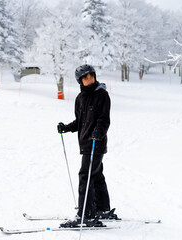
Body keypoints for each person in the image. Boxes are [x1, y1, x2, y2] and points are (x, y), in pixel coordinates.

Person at [57, 64, 118, 227]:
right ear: (80, 81)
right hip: (85, 144)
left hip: (96, 144)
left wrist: (99, 132)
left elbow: (104, 119)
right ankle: (102, 208)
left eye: (91, 75)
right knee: (96, 175)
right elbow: (80, 122)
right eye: (85, 77)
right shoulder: (80, 98)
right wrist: (67, 128)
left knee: (86, 176)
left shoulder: (102, 95)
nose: (89, 78)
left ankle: (86, 215)